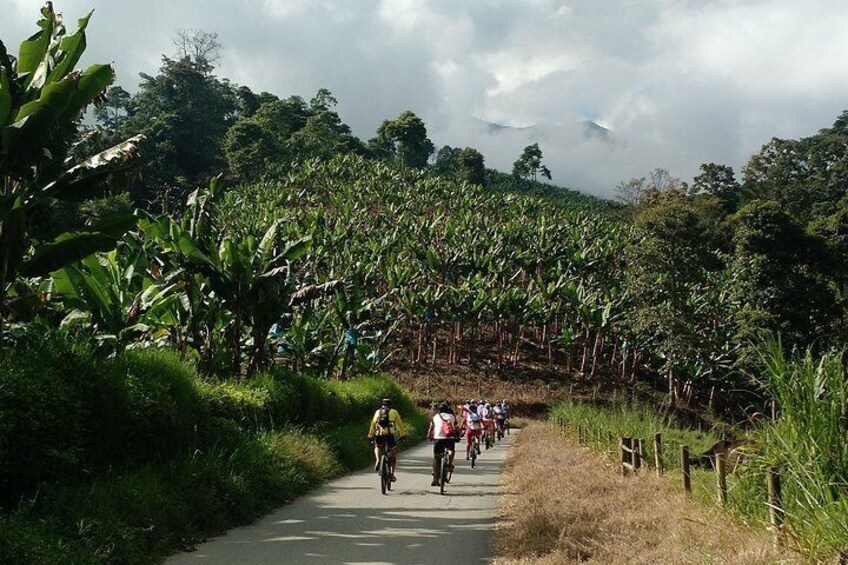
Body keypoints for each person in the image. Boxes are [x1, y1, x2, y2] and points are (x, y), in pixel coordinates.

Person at [367, 398, 407, 482]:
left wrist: (370, 435)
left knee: (377, 446)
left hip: (379, 434)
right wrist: (403, 435)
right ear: (390, 405)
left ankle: (378, 460)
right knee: (393, 453)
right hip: (390, 435)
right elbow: (400, 424)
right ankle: (392, 474)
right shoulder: (394, 412)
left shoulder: (378, 412)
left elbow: (373, 424)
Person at [427, 401, 458, 486]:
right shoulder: (451, 416)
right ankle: (450, 464)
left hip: (438, 439)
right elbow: (455, 426)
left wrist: (429, 436)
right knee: (451, 450)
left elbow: (431, 428)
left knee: (436, 457)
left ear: (439, 410)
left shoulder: (436, 416)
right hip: (449, 439)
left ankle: (435, 478)